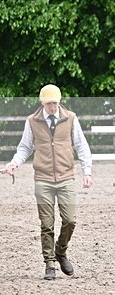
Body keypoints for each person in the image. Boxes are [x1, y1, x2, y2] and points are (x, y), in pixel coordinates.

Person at [2, 84, 93, 280]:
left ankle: (60, 252)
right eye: (50, 104)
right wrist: (14, 164)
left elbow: (81, 145)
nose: (53, 107)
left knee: (70, 220)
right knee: (47, 224)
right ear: (42, 103)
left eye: (56, 103)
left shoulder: (70, 118)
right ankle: (49, 263)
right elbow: (25, 147)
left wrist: (87, 172)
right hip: (43, 179)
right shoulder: (32, 121)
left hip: (66, 177)